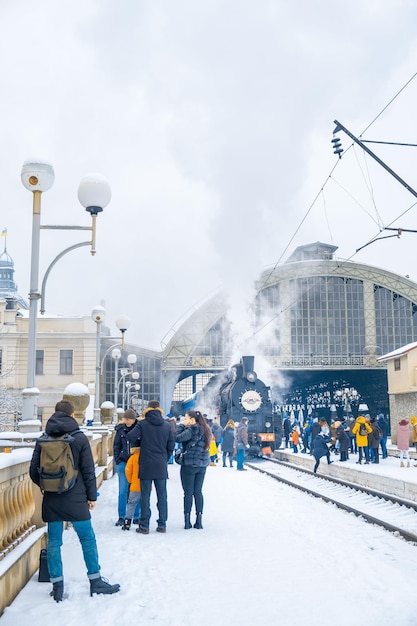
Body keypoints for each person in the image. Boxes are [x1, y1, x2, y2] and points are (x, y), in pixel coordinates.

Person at [29, 400, 120, 602]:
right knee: (87, 539)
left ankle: (57, 586)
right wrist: (91, 496)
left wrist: (49, 487)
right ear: (72, 416)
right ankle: (95, 581)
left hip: (52, 499)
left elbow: (33, 471)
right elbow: (88, 471)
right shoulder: (79, 438)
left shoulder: (43, 438)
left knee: (54, 542)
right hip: (76, 498)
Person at [127, 400, 175, 534]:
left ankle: (144, 526)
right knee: (162, 495)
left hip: (146, 464)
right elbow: (171, 444)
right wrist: (164, 458)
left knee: (145, 496)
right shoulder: (166, 425)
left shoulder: (142, 424)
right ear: (160, 409)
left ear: (147, 409)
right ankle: (162, 524)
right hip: (160, 465)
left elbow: (130, 437)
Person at [175, 410, 211, 529]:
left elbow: (177, 437)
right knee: (198, 492)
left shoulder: (192, 429)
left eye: (186, 418)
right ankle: (199, 520)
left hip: (189, 464)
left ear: (191, 419)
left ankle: (187, 521)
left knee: (188, 493)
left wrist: (181, 425)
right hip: (202, 465)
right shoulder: (207, 429)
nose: (185, 420)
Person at [113, 408, 139, 526]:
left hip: (136, 463)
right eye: (125, 419)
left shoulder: (139, 429)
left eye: (129, 419)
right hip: (123, 461)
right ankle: (122, 516)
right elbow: (116, 446)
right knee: (122, 491)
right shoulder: (120, 430)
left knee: (136, 490)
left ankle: (136, 515)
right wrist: (118, 460)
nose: (127, 421)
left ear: (134, 419)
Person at [122, 446, 141, 530]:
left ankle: (127, 522)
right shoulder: (146, 456)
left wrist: (130, 480)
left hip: (135, 485)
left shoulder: (133, 457)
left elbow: (127, 470)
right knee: (144, 503)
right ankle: (143, 520)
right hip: (145, 485)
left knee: (131, 503)